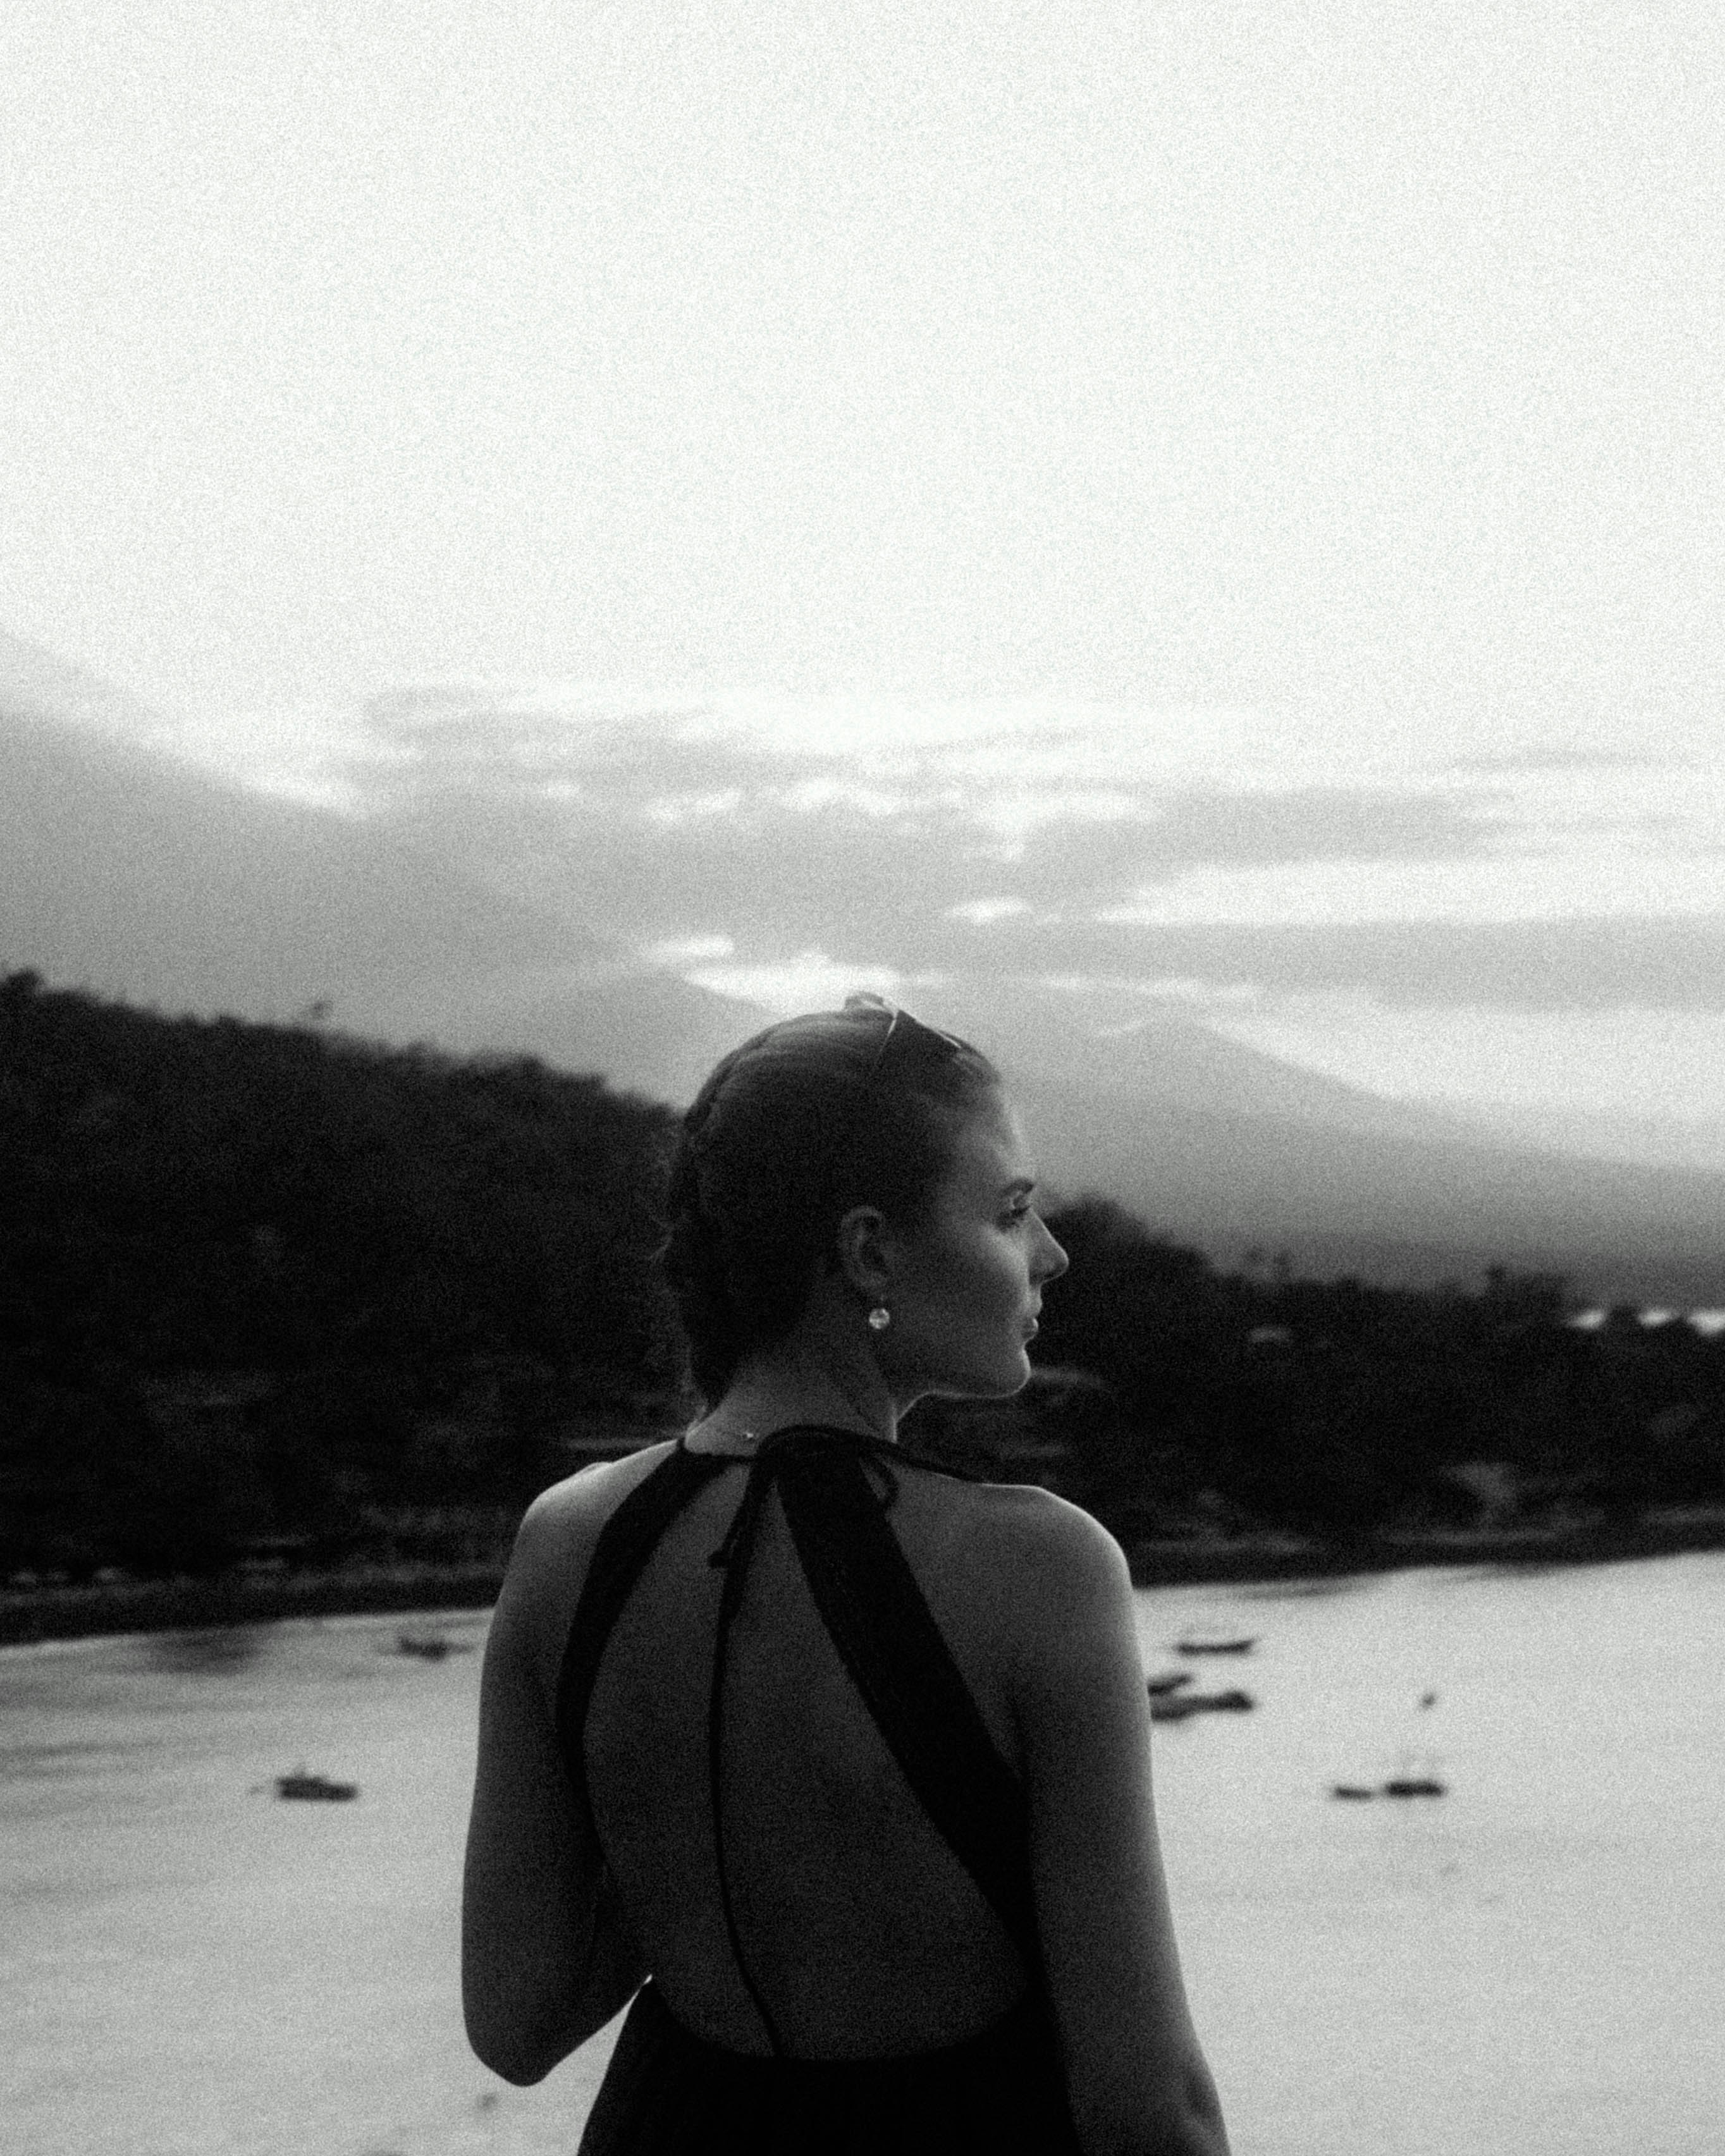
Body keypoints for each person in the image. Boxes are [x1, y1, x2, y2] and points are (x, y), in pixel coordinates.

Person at [462, 995, 1231, 2155]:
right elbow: (1149, 2109)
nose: (1052, 1254)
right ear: (870, 1250)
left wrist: (689, 1804)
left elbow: (514, 2024)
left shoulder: (569, 1540)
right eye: (1013, 1211)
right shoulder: (1039, 1567)